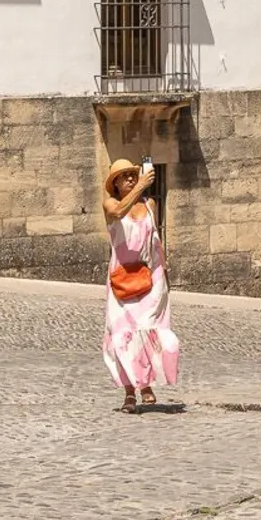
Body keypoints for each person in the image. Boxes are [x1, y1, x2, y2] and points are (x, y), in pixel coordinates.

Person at [101, 157, 181, 413]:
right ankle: (128, 393)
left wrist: (165, 271)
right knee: (122, 335)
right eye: (124, 177)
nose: (130, 179)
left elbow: (156, 238)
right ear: (115, 184)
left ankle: (146, 386)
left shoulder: (149, 204)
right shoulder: (110, 203)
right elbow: (118, 213)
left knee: (148, 330)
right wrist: (140, 187)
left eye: (133, 175)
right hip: (121, 277)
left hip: (150, 275)